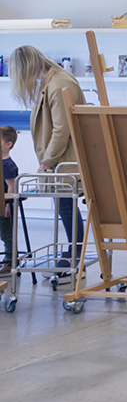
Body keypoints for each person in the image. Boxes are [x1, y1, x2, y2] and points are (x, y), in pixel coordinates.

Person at [8, 46, 86, 271]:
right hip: (59, 159)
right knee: (64, 205)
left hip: (64, 159)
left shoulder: (59, 83)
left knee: (66, 206)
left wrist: (48, 160)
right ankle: (74, 251)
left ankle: (75, 254)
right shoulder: (51, 82)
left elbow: (63, 129)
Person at [2, 125, 18, 275]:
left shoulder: (7, 165)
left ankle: (10, 261)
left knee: (6, 234)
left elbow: (11, 187)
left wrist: (8, 207)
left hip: (4, 207)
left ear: (8, 144)